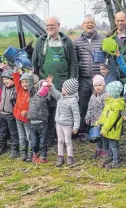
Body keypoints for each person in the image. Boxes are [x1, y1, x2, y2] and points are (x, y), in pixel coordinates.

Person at [32, 16, 78, 147]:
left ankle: (62, 139)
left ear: (58, 25)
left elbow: (73, 63)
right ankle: (47, 138)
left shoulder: (66, 41)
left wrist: (72, 82)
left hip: (62, 84)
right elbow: (34, 62)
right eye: (47, 25)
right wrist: (36, 80)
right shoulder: (41, 41)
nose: (49, 27)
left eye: (52, 25)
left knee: (62, 112)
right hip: (45, 84)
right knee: (46, 111)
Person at [74, 14, 106, 134]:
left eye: (91, 22)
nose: (89, 24)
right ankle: (84, 130)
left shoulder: (103, 40)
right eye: (87, 22)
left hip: (99, 79)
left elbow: (108, 57)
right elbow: (74, 60)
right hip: (84, 78)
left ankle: (100, 128)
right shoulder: (76, 42)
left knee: (100, 104)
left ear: (95, 24)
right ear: (83, 25)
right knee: (84, 104)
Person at [28, 76, 57, 164]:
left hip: (42, 123)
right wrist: (30, 75)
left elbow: (53, 94)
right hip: (32, 123)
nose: (44, 90)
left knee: (43, 142)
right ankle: (35, 154)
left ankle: (43, 157)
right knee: (34, 142)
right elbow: (30, 86)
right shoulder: (33, 94)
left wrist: (50, 85)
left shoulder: (47, 97)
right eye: (42, 87)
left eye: (45, 88)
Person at [53, 78, 81, 167]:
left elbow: (76, 115)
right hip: (58, 123)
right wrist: (50, 86)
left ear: (68, 90)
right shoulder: (60, 96)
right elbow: (54, 92)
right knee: (60, 140)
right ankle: (60, 156)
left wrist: (76, 127)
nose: (62, 89)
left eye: (63, 87)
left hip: (67, 125)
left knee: (68, 141)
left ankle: (70, 157)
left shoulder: (73, 101)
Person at [98, 81, 126, 169]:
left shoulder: (116, 105)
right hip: (109, 129)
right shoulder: (109, 103)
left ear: (113, 93)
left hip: (113, 129)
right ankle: (110, 156)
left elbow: (111, 119)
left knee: (114, 145)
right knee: (110, 144)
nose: (106, 93)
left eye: (108, 92)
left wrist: (105, 128)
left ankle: (116, 160)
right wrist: (99, 122)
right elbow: (104, 115)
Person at [0, 65, 19, 158]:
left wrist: (16, 71)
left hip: (11, 115)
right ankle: (2, 147)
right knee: (2, 132)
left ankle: (15, 150)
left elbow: (17, 79)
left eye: (7, 79)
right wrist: (0, 68)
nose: (5, 81)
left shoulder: (16, 88)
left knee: (13, 133)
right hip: (2, 114)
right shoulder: (3, 86)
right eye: (4, 79)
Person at [85, 75, 110, 159]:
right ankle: (98, 149)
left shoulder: (105, 96)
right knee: (97, 135)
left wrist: (104, 119)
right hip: (95, 120)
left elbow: (107, 109)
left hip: (103, 120)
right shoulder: (93, 96)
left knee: (104, 135)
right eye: (95, 85)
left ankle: (105, 150)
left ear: (104, 85)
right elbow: (90, 107)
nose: (97, 87)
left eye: (99, 85)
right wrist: (88, 117)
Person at [13, 71, 35, 162]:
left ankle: (30, 154)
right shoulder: (19, 90)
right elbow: (16, 79)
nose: (25, 84)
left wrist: (27, 112)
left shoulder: (33, 93)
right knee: (21, 136)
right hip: (18, 117)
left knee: (29, 136)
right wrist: (16, 70)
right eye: (23, 82)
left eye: (27, 82)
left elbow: (34, 106)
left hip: (27, 119)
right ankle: (23, 153)